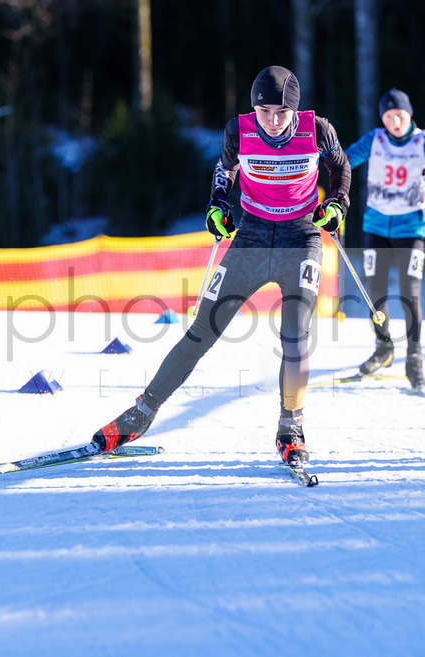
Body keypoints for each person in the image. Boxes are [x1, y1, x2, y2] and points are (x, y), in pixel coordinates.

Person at [89, 66, 351, 466]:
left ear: (294, 110)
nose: (273, 121)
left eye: (282, 112)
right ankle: (141, 414)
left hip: (301, 240)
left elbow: (341, 169)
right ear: (254, 108)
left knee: (295, 337)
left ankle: (291, 426)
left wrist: (336, 204)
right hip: (250, 240)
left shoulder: (317, 129)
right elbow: (225, 169)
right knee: (201, 333)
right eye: (265, 111)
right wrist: (217, 204)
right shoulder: (238, 130)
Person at [344, 89, 425, 391]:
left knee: (411, 293)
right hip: (376, 226)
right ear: (382, 119)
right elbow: (345, 160)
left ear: (410, 115)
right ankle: (384, 348)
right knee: (375, 292)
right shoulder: (375, 139)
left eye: (400, 115)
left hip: (411, 229)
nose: (395, 121)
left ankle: (414, 357)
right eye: (389, 116)